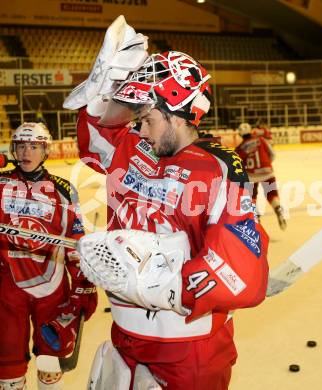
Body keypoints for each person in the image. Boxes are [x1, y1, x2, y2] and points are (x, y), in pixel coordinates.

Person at [63, 15, 269, 390]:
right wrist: (107, 83)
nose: (138, 128)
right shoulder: (132, 147)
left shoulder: (218, 169)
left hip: (188, 350)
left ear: (177, 113)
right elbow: (94, 133)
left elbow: (244, 274)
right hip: (126, 337)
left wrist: (162, 284)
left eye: (147, 119)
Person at [0, 122, 97, 390]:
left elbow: (74, 241)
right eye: (21, 146)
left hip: (52, 290)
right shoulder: (0, 183)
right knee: (8, 370)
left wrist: (83, 284)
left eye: (33, 146)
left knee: (50, 365)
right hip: (8, 290)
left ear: (46, 151)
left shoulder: (63, 189)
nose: (26, 152)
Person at [235, 122, 286, 230]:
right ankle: (278, 209)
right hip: (267, 172)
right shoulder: (261, 139)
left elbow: (238, 164)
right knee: (272, 194)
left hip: (251, 176)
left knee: (251, 197)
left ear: (240, 134)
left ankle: (256, 218)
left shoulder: (239, 148)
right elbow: (272, 154)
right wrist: (267, 164)